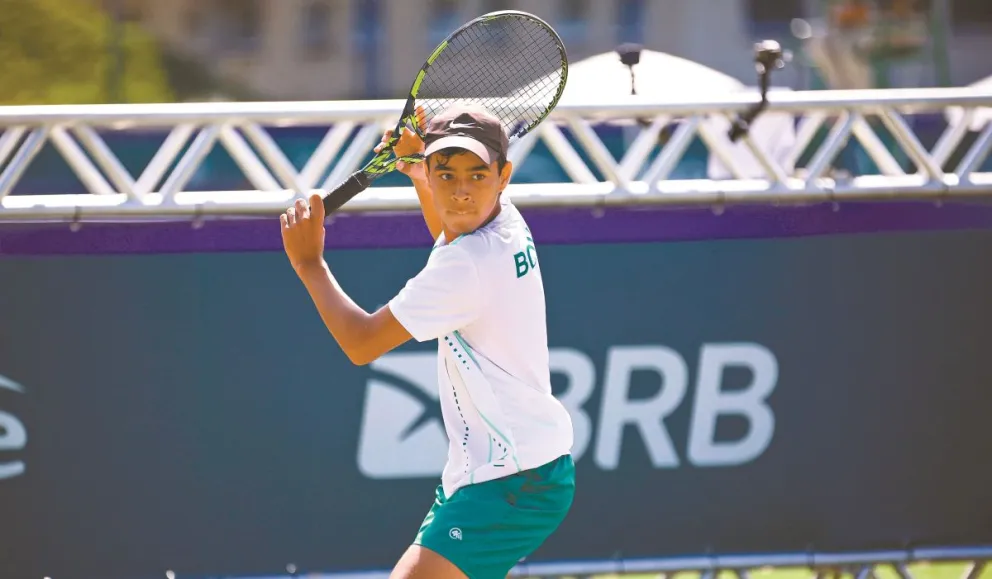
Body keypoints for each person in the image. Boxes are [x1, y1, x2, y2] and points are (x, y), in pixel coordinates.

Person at [279, 103, 576, 579]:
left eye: (477, 175)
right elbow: (449, 229)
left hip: (512, 481)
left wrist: (309, 264)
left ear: (503, 176)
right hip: (515, 470)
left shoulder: (469, 264)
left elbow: (361, 343)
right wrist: (419, 174)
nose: (461, 191)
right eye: (446, 174)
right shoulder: (504, 219)